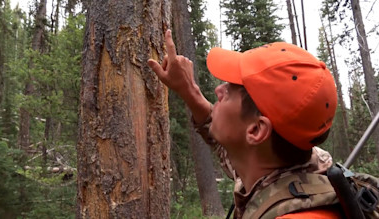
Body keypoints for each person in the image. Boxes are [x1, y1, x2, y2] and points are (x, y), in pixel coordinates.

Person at [147, 30, 343, 219]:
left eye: (231, 90)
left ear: (257, 130)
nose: (218, 90)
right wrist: (189, 91)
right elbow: (229, 144)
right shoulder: (290, 168)